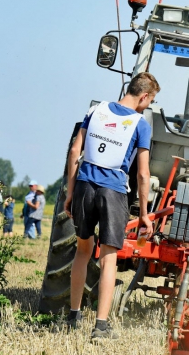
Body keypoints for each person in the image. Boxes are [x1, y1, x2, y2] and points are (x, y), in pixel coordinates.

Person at [64, 72, 160, 340]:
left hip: (84, 186)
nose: (148, 106)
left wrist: (70, 193)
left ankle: (73, 316)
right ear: (144, 96)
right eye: (150, 101)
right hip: (113, 192)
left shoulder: (96, 110)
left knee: (83, 250)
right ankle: (101, 326)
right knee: (108, 258)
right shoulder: (141, 124)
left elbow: (75, 152)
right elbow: (142, 174)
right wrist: (143, 214)